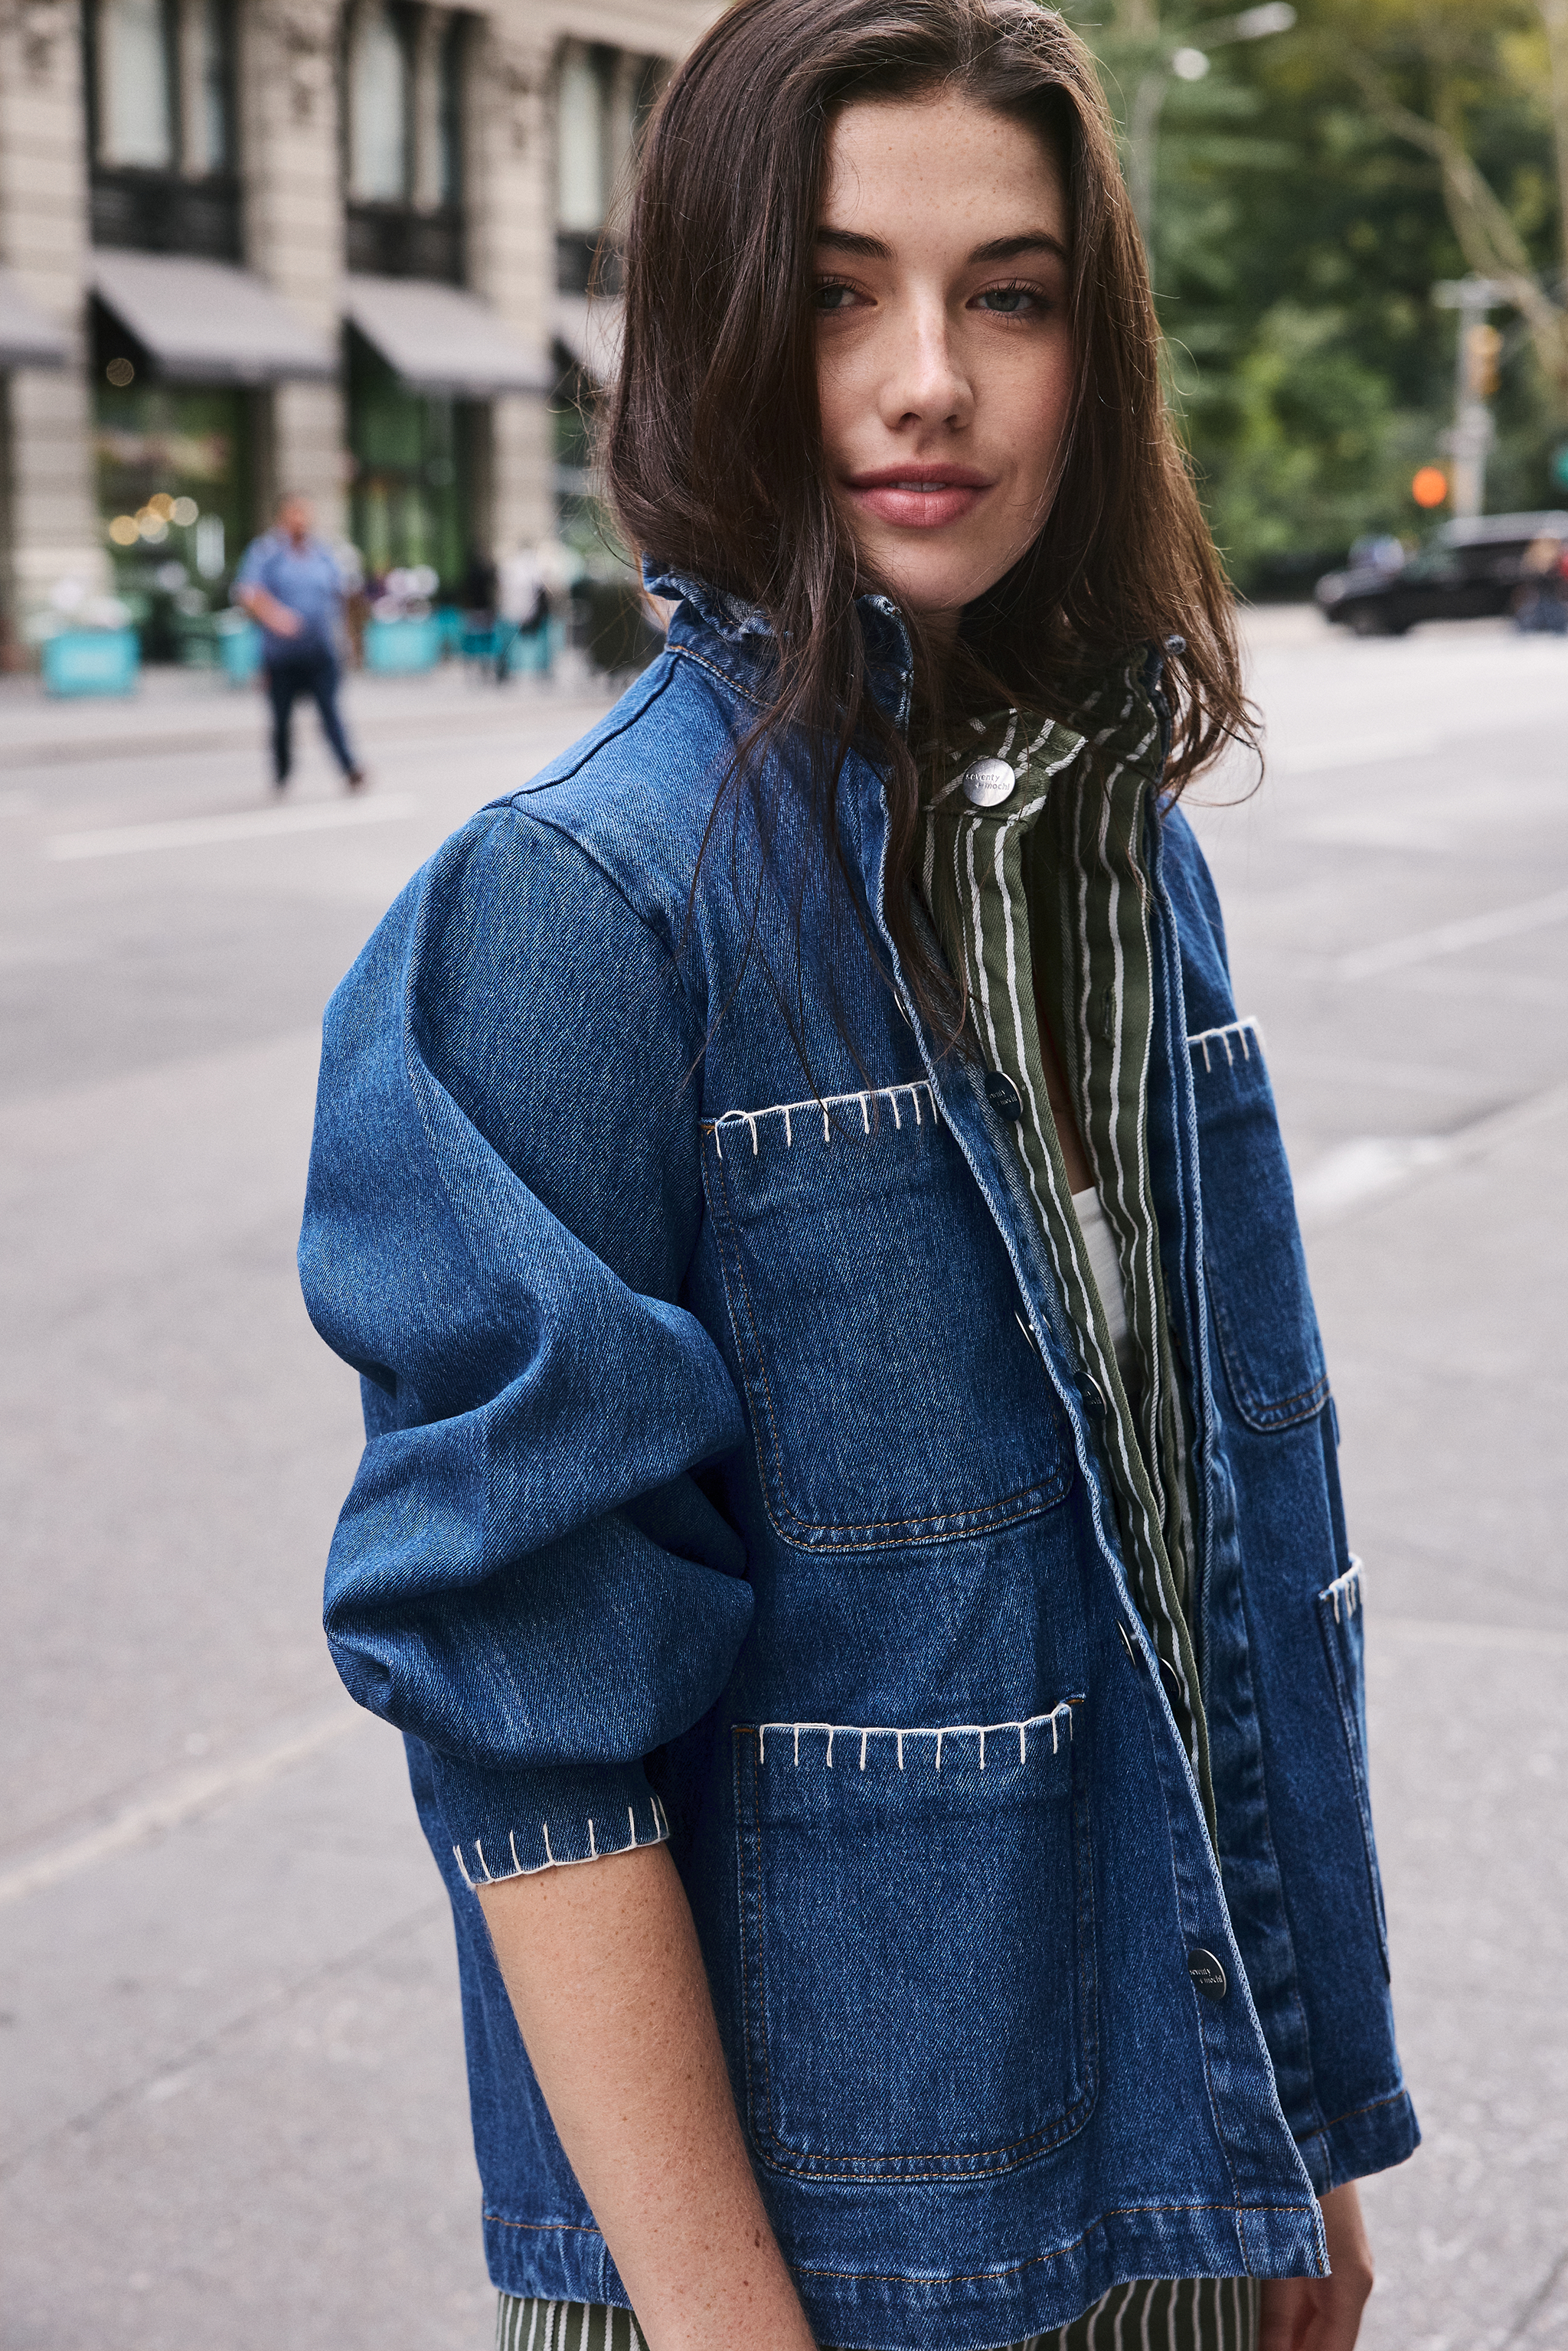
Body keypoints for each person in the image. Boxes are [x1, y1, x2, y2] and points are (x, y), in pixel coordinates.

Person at [299, 7, 1416, 2349]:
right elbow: (529, 1721)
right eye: (835, 291)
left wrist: (1292, 2141)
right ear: (712, 327)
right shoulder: (574, 911)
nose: (930, 378)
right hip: (810, 2279)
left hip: (1167, 2196)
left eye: (1006, 294)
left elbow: (1202, 1564)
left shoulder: (1114, 867)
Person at [233, 495, 366, 792]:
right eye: (295, 514)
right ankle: (282, 772)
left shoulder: (322, 552)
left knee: (330, 712)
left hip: (320, 652)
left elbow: (341, 593)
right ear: (283, 517)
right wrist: (276, 616)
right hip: (282, 657)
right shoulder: (266, 552)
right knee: (281, 720)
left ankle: (350, 768)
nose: (301, 520)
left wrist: (350, 638)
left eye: (305, 514)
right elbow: (248, 592)